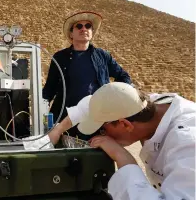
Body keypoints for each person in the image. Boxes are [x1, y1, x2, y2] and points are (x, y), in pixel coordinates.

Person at [48, 82, 195, 200]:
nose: (102, 135)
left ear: (125, 124)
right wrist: (58, 129)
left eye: (103, 130)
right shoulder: (144, 104)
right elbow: (97, 102)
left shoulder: (187, 145)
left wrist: (123, 158)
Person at [42, 11, 131, 138]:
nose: (84, 29)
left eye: (88, 26)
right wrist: (40, 113)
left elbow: (123, 76)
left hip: (97, 119)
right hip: (66, 119)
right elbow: (49, 89)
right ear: (71, 33)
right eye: (79, 26)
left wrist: (117, 97)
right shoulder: (60, 57)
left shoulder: (103, 56)